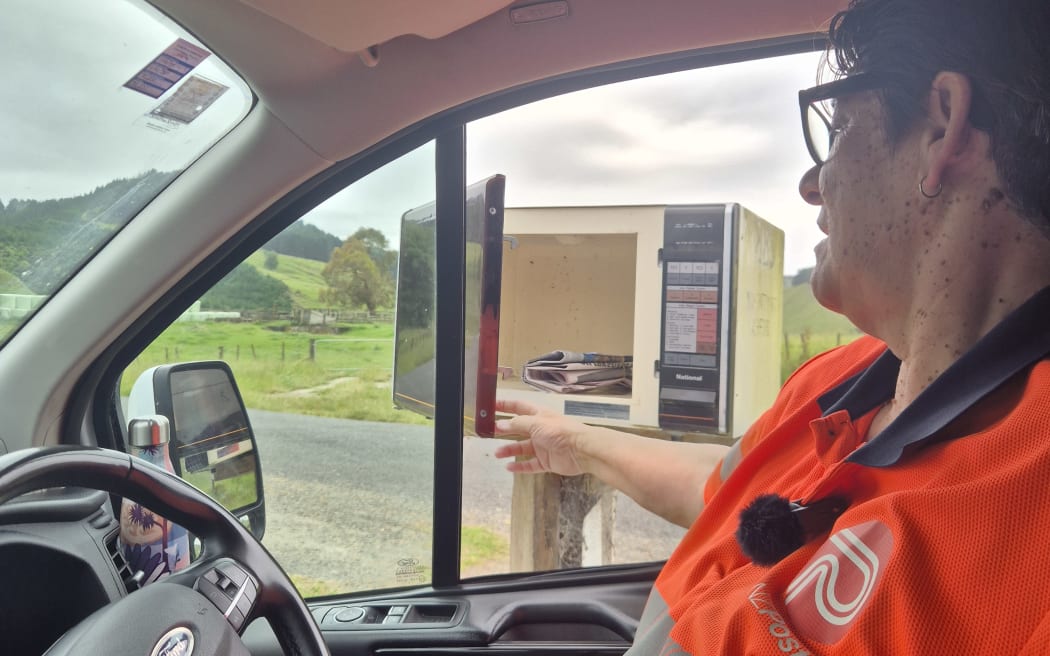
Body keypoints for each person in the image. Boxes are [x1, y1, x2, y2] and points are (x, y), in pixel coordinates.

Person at [493, 0, 1050, 653]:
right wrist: (580, 443)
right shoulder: (841, 378)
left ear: (942, 127)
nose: (812, 184)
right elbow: (728, 490)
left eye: (837, 132)